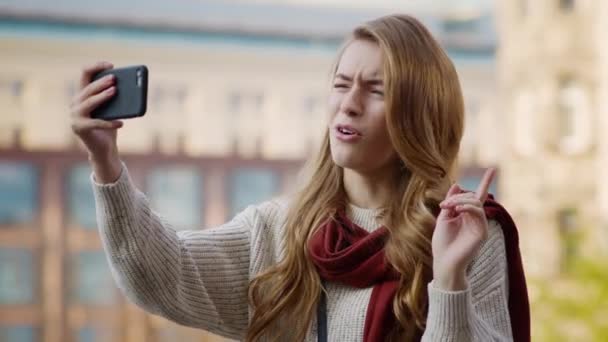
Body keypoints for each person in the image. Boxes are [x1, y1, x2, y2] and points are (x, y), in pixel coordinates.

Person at [71, 14, 529, 342]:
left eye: (376, 91)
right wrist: (105, 162)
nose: (348, 104)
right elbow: (161, 276)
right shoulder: (276, 230)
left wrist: (448, 278)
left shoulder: (467, 232)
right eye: (340, 83)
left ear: (419, 116)